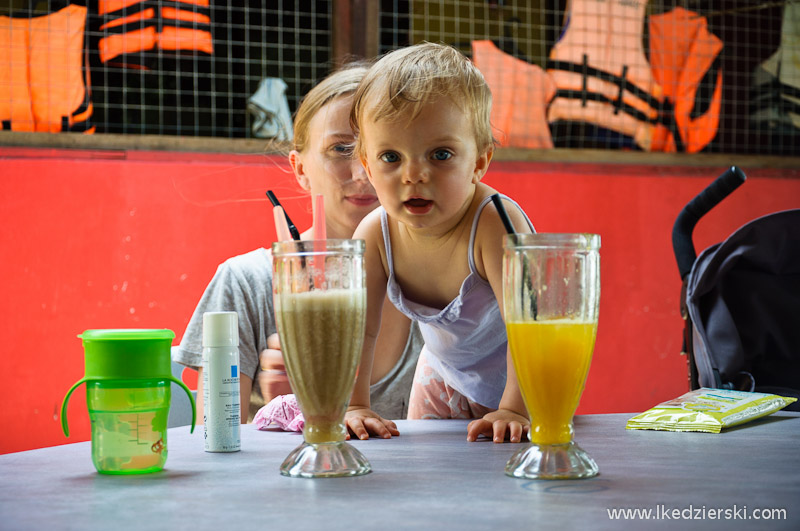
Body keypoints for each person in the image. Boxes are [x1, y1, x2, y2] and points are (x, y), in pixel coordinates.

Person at [173, 64, 422, 424]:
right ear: (300, 168)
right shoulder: (246, 283)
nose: (361, 173)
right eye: (340, 149)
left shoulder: (443, 286)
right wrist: (286, 409)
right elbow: (217, 440)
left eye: (384, 152)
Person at [344, 42, 535, 444]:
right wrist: (354, 405)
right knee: (429, 471)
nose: (414, 175)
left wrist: (516, 407)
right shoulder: (375, 235)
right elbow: (359, 330)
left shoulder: (494, 224)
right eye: (391, 157)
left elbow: (530, 327)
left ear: (479, 161)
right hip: (439, 375)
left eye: (441, 154)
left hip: (520, 382)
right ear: (366, 164)